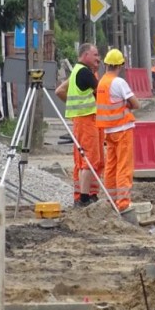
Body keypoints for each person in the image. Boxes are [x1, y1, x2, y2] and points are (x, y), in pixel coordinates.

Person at [56, 43, 104, 206]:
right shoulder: (84, 73)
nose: (98, 58)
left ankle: (83, 195)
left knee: (83, 159)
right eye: (95, 54)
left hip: (82, 120)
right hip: (86, 120)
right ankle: (85, 197)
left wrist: (74, 109)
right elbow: (102, 92)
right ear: (85, 55)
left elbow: (59, 91)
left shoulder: (76, 71)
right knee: (90, 158)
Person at [96, 48, 140, 214]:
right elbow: (136, 104)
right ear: (120, 65)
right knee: (124, 167)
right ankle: (123, 203)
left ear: (106, 64)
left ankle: (110, 200)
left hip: (109, 131)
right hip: (122, 130)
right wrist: (126, 105)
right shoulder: (119, 82)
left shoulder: (102, 83)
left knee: (111, 166)